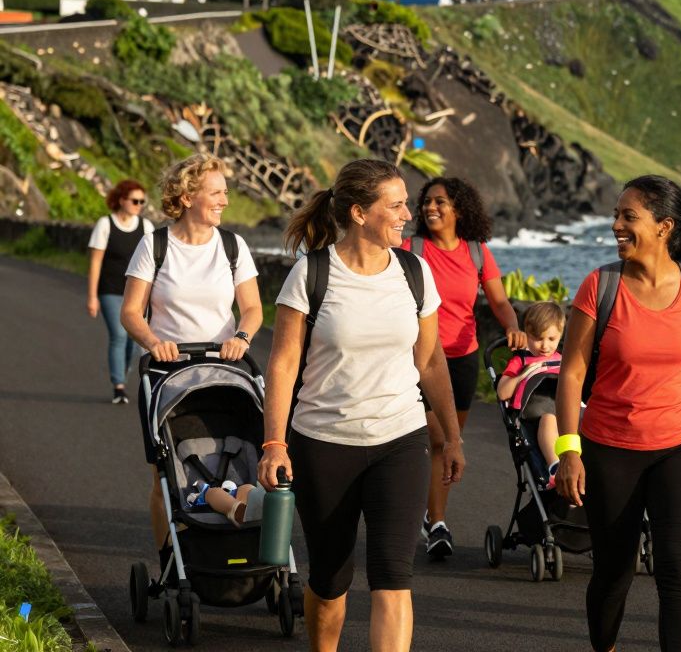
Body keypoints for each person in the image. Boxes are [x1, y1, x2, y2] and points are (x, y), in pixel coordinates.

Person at [257, 159, 466, 652]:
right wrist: (273, 443)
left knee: (394, 578)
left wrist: (452, 436)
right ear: (358, 213)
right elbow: (284, 365)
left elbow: (431, 361)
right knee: (330, 581)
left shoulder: (415, 272)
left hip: (401, 438)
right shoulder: (312, 273)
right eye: (394, 205)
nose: (407, 214)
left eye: (405, 203)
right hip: (324, 443)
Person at [554, 175, 681, 652]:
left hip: (680, 446)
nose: (616, 224)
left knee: (679, 573)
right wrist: (569, 450)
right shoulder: (601, 285)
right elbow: (572, 373)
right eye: (617, 215)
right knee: (614, 572)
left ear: (664, 226)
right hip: (609, 448)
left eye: (628, 216)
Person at [121, 154, 262, 553]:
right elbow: (131, 311)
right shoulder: (155, 245)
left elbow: (252, 308)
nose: (224, 200)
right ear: (186, 197)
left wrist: (242, 336)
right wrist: (153, 342)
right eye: (216, 192)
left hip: (222, 370)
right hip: (168, 372)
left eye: (225, 192)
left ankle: (228, 540)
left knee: (232, 456)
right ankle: (169, 555)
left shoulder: (233, 247)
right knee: (165, 473)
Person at [409, 176, 525, 559]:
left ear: (460, 208)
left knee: (448, 441)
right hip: (419, 357)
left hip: (462, 357)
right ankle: (435, 521)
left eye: (440, 202)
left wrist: (512, 327)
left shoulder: (476, 252)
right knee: (438, 435)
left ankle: (433, 517)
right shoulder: (413, 248)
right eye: (427, 201)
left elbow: (500, 301)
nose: (431, 208)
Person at [87, 179, 155, 404]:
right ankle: (118, 386)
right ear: (121, 200)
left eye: (142, 202)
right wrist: (92, 296)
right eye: (135, 201)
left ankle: (122, 374)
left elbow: (154, 266)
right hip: (110, 291)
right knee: (118, 335)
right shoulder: (105, 224)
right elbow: (96, 262)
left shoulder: (146, 227)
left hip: (137, 294)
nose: (139, 205)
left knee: (135, 343)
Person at [496, 301, 566, 486]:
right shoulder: (522, 360)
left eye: (551, 339)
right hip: (536, 415)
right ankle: (555, 467)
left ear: (560, 335)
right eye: (537, 338)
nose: (544, 346)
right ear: (526, 335)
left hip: (564, 413)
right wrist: (523, 374)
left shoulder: (562, 360)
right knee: (549, 420)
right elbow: (502, 393)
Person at [184, 480, 264, 527]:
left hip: (245, 511)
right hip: (259, 497)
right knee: (246, 489)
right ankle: (231, 493)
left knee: (214, 493)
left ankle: (205, 494)